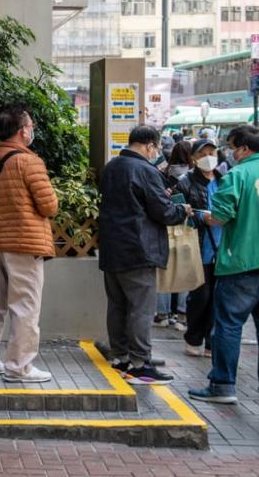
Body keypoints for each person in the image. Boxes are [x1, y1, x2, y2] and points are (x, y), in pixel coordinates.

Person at [189, 125, 259, 405]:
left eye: (231, 146)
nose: (229, 152)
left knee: (228, 325)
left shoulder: (237, 175)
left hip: (241, 262)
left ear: (244, 148)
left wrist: (201, 216)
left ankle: (223, 385)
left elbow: (220, 217)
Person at [98, 125, 191, 385]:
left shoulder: (112, 167)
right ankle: (140, 364)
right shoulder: (146, 171)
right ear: (149, 146)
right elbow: (163, 212)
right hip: (139, 249)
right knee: (141, 308)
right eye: (157, 147)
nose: (157, 152)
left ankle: (120, 357)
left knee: (117, 305)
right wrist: (182, 210)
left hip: (112, 248)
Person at [0, 105, 58, 383]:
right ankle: (19, 367)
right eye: (30, 125)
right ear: (23, 131)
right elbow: (49, 206)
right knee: (25, 307)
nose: (32, 129)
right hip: (25, 244)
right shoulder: (29, 162)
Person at [175, 138, 223, 357]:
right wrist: (198, 216)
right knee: (200, 296)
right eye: (203, 154)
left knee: (218, 296)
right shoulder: (185, 181)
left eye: (212, 152)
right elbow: (176, 210)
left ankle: (212, 342)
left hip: (223, 246)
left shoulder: (225, 180)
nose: (208, 157)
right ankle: (193, 337)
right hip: (198, 244)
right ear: (193, 158)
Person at [155, 140, 193, 331]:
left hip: (167, 226)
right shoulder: (194, 176)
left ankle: (162, 314)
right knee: (184, 271)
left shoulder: (162, 173)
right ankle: (182, 315)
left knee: (165, 271)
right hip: (187, 227)